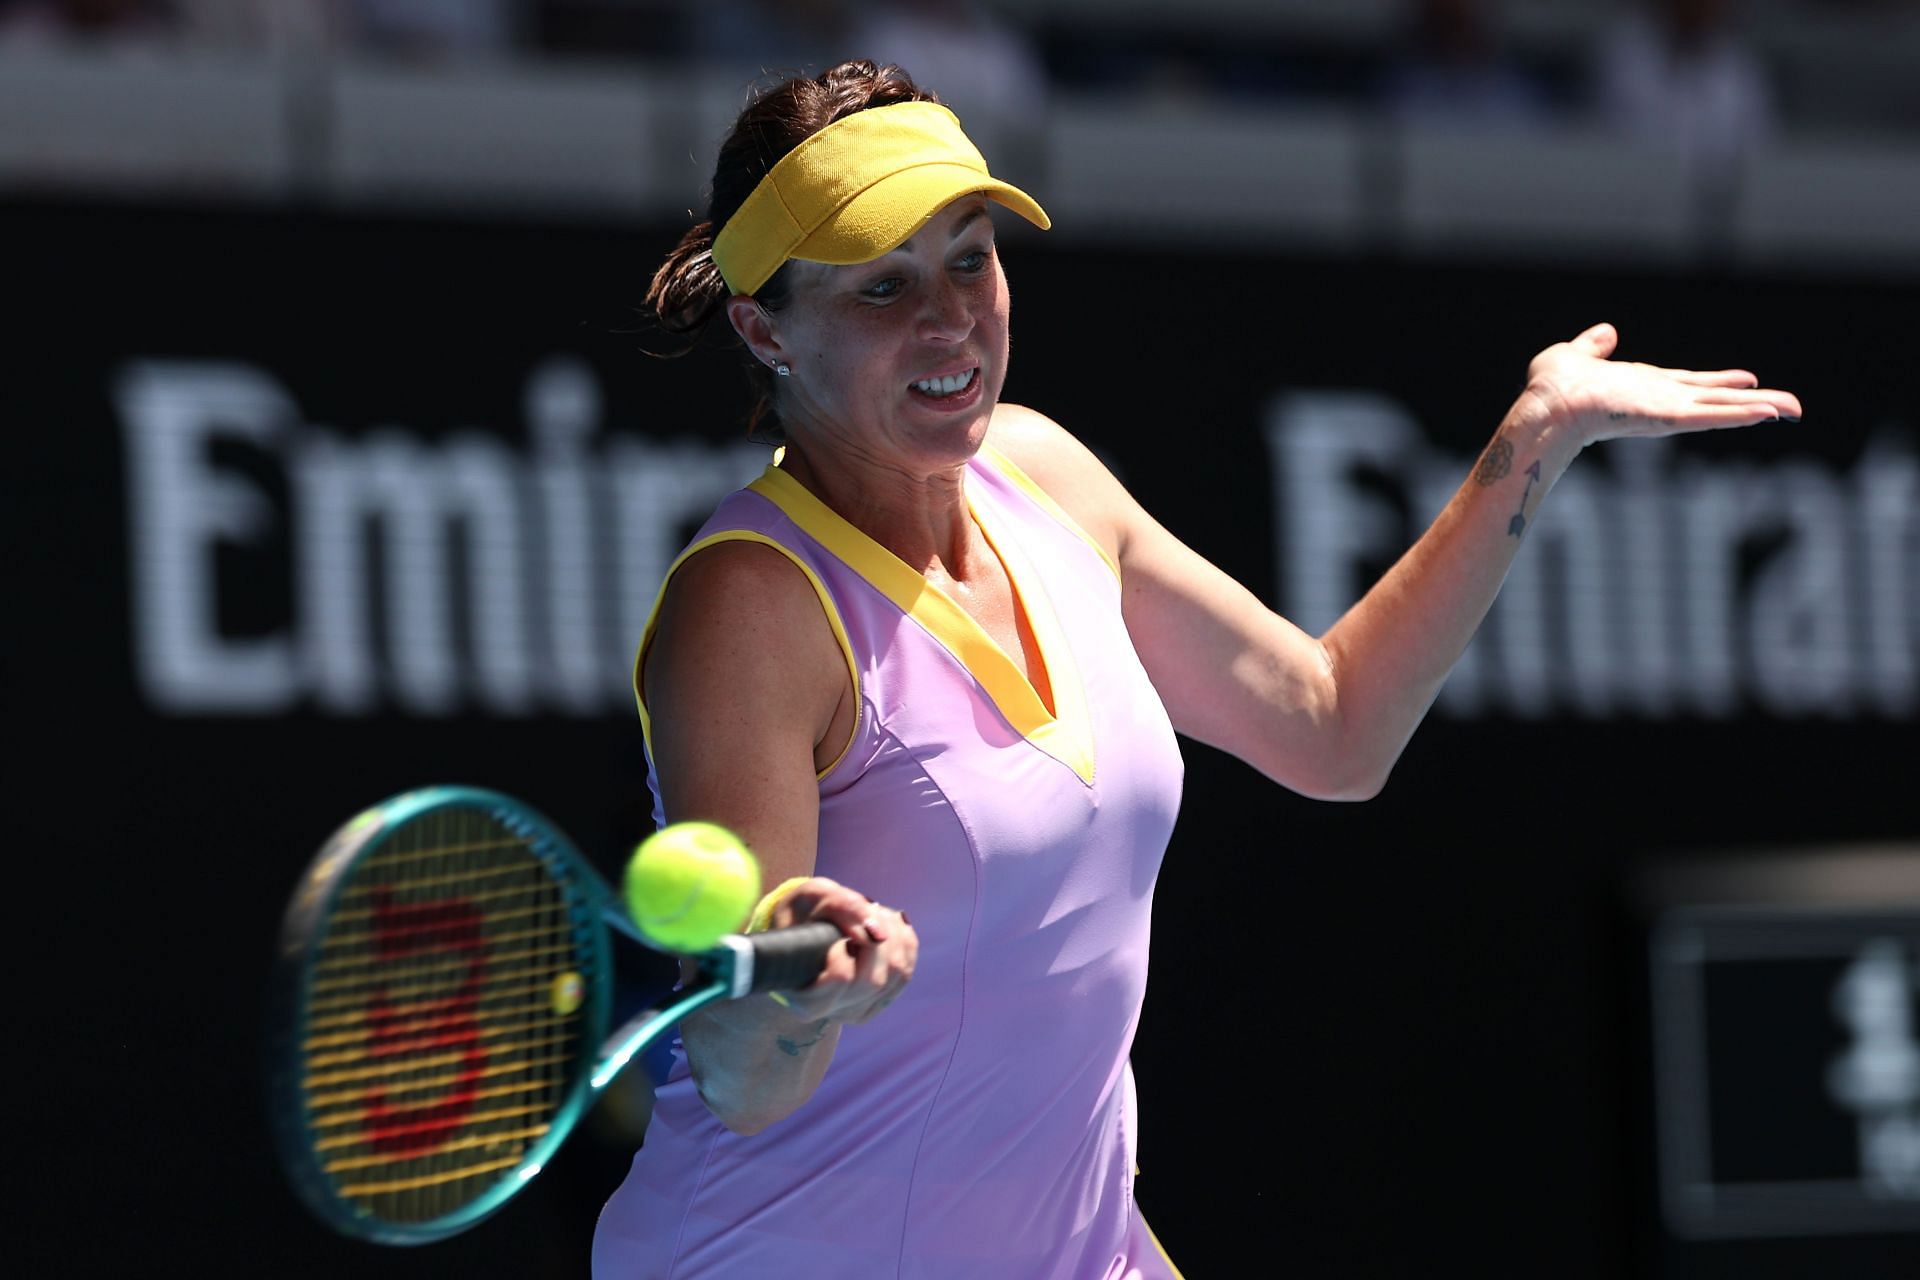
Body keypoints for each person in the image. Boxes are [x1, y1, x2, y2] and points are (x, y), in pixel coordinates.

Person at [591, 59, 1801, 1279]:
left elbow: (1333, 726)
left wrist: (1537, 433)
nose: (950, 317)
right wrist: (793, 992)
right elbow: (742, 1075)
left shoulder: (1042, 474)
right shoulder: (750, 604)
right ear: (763, 328)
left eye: (969, 256)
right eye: (882, 287)